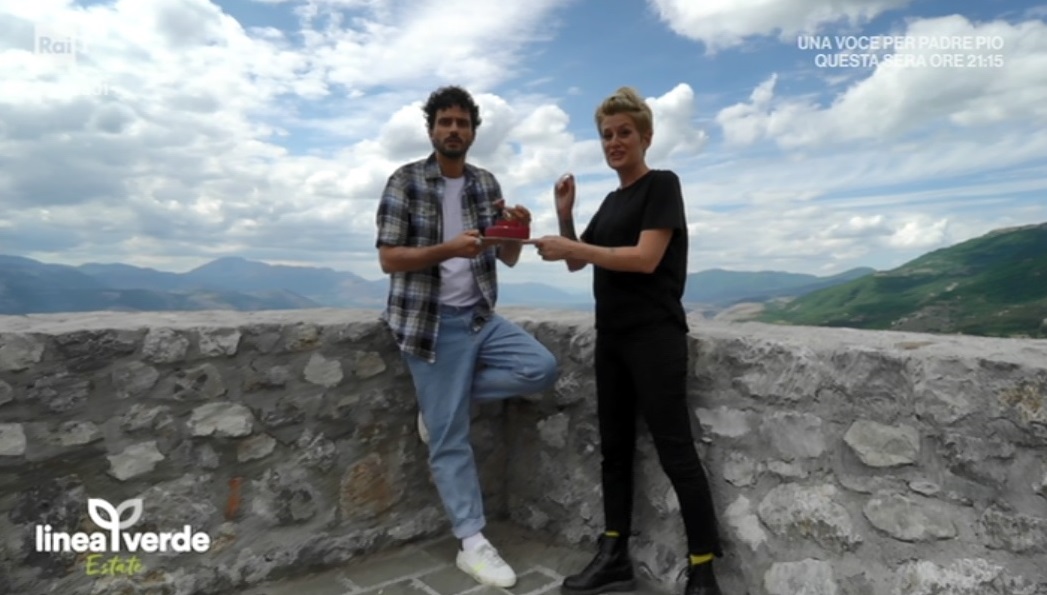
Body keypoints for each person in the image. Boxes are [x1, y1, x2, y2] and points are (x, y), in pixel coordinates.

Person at [529, 87, 724, 595]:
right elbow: (578, 261)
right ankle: (613, 555)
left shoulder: (662, 185)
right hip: (612, 338)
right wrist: (565, 214)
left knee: (676, 452)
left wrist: (573, 244)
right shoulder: (613, 202)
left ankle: (703, 570)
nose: (614, 142)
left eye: (624, 133)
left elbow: (644, 258)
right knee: (614, 452)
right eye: (606, 135)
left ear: (646, 137)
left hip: (655, 337)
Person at [375, 85, 559, 588]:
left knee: (540, 369)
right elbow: (389, 258)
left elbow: (507, 257)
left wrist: (519, 228)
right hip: (430, 323)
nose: (454, 130)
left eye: (462, 122)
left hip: (479, 317)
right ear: (432, 129)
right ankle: (472, 543)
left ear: (474, 131)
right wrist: (448, 248)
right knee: (451, 439)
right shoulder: (405, 181)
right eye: (445, 122)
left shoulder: (484, 183)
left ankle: (441, 404)